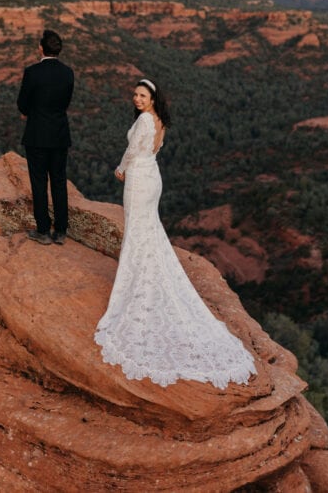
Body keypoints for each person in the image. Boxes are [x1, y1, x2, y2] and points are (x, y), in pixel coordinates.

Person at [95, 78, 256, 388]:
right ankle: (146, 273)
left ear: (152, 98)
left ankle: (137, 281)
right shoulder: (159, 120)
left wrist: (120, 169)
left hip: (139, 178)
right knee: (149, 230)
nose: (137, 99)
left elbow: (132, 151)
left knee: (137, 231)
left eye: (142, 95)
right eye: (135, 95)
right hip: (153, 176)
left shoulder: (144, 119)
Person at [17, 29, 75, 245]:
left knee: (39, 182)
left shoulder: (32, 72)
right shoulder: (68, 73)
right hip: (60, 134)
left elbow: (23, 102)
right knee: (59, 181)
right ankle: (60, 231)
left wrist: (29, 112)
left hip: (37, 135)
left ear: (41, 48)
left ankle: (43, 231)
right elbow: (66, 103)